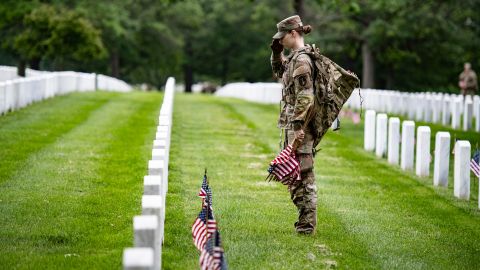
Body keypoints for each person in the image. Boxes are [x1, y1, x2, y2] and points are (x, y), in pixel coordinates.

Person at [270, 15, 317, 234]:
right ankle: (304, 221)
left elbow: (306, 96)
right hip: (292, 125)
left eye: (282, 38)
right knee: (294, 176)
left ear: (293, 34)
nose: (280, 41)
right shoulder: (294, 58)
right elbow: (280, 73)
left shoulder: (302, 61)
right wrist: (276, 53)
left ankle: (307, 225)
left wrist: (298, 127)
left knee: (303, 175)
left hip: (300, 127)